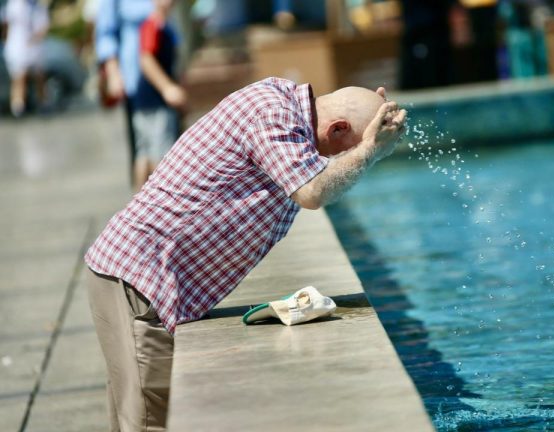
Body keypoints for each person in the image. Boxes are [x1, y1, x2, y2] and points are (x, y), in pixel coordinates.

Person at [84, 77, 407, 431]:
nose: (339, 159)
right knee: (153, 423)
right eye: (344, 148)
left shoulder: (287, 114)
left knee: (139, 417)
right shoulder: (273, 113)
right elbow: (313, 191)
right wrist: (368, 151)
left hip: (142, 279)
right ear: (339, 128)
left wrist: (370, 126)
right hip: (142, 280)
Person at [95, 0, 154, 183]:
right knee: (144, 148)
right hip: (136, 77)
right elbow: (106, 34)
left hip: (164, 73)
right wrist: (113, 73)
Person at [132, 0, 185, 191]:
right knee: (158, 152)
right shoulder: (152, 26)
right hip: (154, 100)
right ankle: (157, 196)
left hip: (147, 100)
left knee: (144, 151)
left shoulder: (166, 27)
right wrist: (167, 88)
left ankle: (139, 202)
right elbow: (146, 59)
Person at [2, 0, 49, 117]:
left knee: (39, 76)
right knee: (19, 77)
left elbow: (43, 27)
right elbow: (6, 24)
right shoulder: (15, 4)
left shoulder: (38, 7)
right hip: (17, 47)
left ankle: (42, 104)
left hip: (33, 48)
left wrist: (35, 38)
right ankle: (18, 107)